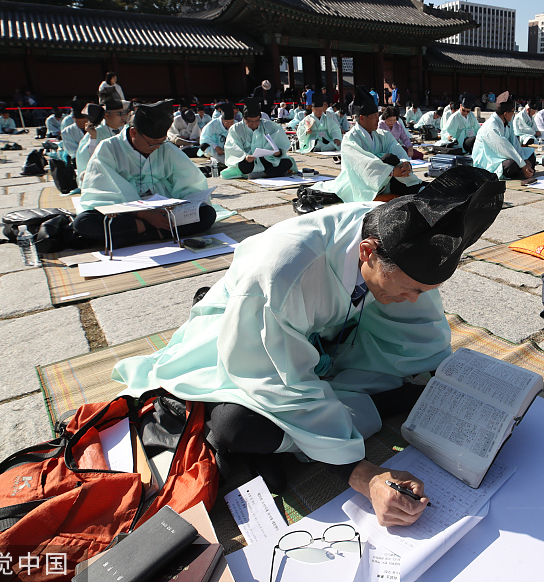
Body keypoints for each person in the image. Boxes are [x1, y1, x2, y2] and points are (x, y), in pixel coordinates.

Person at [112, 167, 504, 516]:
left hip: (318, 339)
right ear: (367, 253)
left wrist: (444, 377)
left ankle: (294, 446)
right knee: (239, 424)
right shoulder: (285, 266)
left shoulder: (394, 235)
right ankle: (299, 442)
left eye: (425, 289)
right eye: (410, 289)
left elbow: (418, 337)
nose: (415, 299)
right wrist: (361, 473)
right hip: (244, 341)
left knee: (416, 375)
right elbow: (271, 377)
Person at [73, 100, 216, 247]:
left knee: (207, 214)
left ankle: (136, 237)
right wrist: (142, 213)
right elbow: (103, 190)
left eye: (161, 143)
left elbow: (189, 180)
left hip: (164, 210)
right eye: (152, 143)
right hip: (128, 212)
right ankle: (159, 232)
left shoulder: (165, 148)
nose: (157, 148)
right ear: (134, 132)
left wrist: (176, 206)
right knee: (84, 223)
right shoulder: (109, 148)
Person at [305, 86, 422, 208]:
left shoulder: (383, 135)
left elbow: (398, 151)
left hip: (385, 180)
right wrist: (391, 171)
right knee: (388, 160)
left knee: (394, 161)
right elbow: (363, 163)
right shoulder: (350, 139)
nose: (378, 120)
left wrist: (405, 164)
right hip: (358, 183)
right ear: (362, 118)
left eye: (378, 116)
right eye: (374, 117)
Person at [224, 99, 294, 179]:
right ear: (244, 118)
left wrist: (278, 153)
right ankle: (271, 173)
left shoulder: (269, 125)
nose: (254, 124)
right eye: (250, 121)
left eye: (257, 121)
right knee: (244, 166)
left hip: (267, 159)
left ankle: (264, 174)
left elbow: (282, 142)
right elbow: (233, 147)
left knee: (288, 162)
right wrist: (245, 157)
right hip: (249, 161)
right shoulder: (236, 129)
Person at [472, 92, 537, 179]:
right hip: (489, 159)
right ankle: (521, 170)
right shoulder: (491, 126)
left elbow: (514, 142)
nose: (514, 114)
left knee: (530, 155)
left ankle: (522, 169)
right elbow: (504, 148)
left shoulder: (507, 122)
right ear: (506, 114)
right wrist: (523, 165)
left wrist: (524, 159)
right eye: (513, 111)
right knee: (511, 165)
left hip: (503, 154)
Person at [76, 98, 130, 184]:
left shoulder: (126, 130)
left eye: (124, 113)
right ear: (106, 115)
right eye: (119, 114)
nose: (123, 117)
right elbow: (90, 160)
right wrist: (93, 137)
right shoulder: (95, 132)